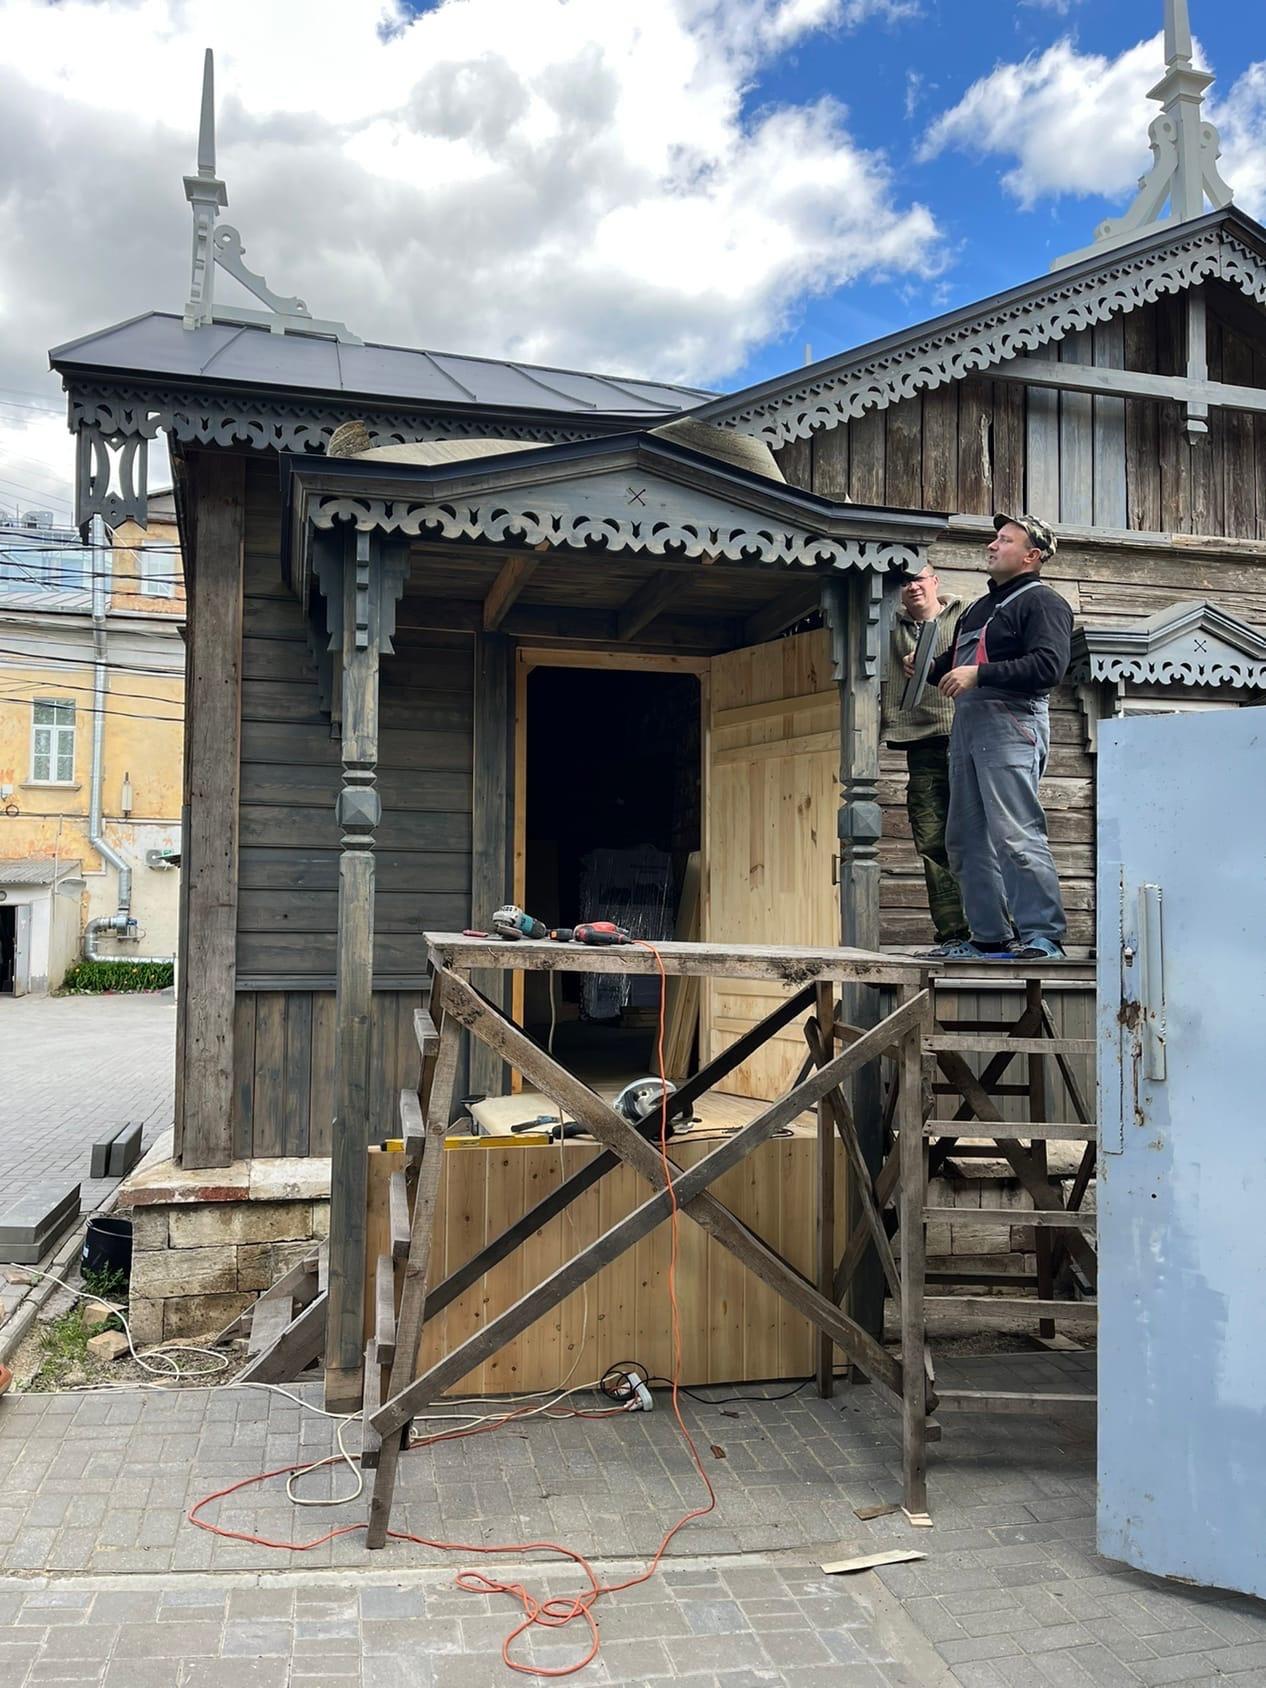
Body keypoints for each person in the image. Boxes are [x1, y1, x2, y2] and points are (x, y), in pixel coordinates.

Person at [917, 513, 1072, 962]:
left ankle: (1044, 937)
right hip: (968, 726)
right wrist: (926, 668)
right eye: (994, 538)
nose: (992, 545)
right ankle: (989, 937)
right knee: (964, 839)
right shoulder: (978, 608)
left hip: (1012, 723)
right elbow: (953, 666)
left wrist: (979, 674)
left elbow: (1049, 667)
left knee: (1015, 833)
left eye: (1005, 540)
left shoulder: (1043, 603)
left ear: (1031, 556)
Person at [880, 566, 968, 957]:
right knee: (932, 839)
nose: (912, 586)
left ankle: (1001, 929)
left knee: (980, 833)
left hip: (965, 735)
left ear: (935, 581)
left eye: (919, 578)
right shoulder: (887, 625)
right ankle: (952, 933)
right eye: (904, 582)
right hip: (919, 743)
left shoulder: (965, 617)